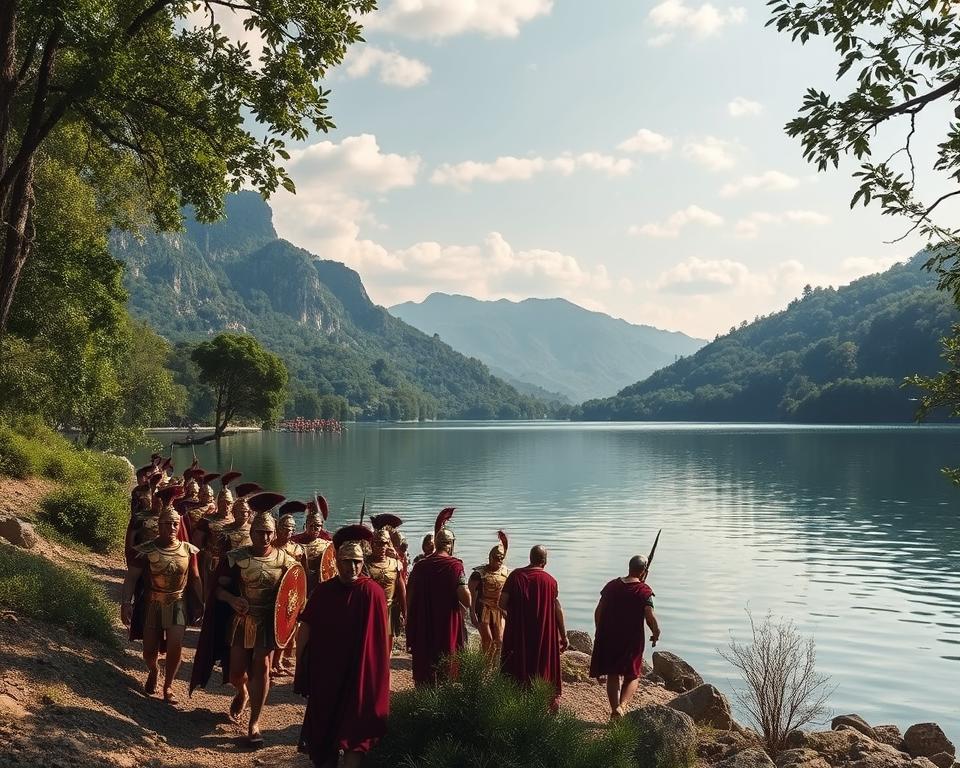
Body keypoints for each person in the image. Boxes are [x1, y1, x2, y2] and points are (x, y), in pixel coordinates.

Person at [190, 492, 299, 747]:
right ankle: (242, 691)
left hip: (267, 623)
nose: (264, 537)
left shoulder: (286, 560)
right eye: (259, 532)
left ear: (274, 533)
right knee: (237, 672)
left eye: (268, 532)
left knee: (261, 668)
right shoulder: (237, 558)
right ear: (252, 533)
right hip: (241, 620)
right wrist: (231, 600)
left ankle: (255, 722)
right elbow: (218, 589)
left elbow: (293, 595)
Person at [295, 524, 390, 768]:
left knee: (356, 735)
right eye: (347, 561)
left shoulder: (374, 593)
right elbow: (305, 628)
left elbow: (382, 640)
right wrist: (301, 665)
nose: (353, 567)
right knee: (324, 737)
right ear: (337, 561)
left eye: (357, 561)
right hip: (328, 676)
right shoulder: (323, 592)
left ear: (363, 561)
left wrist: (380, 677)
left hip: (360, 676)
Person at [121, 503, 203, 704]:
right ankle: (154, 669)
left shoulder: (188, 550)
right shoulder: (147, 550)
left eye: (175, 524)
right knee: (149, 650)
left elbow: (195, 577)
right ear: (160, 525)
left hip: (177, 603)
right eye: (167, 523)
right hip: (153, 602)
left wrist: (201, 602)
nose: (172, 527)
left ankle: (168, 685)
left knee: (176, 645)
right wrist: (126, 602)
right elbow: (132, 577)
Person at [589, 554, 660, 721]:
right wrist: (655, 632)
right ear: (643, 572)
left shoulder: (611, 586)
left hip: (609, 636)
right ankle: (623, 706)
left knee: (613, 673)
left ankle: (614, 710)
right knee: (632, 674)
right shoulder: (644, 591)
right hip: (631, 639)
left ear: (629, 568)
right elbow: (649, 615)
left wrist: (599, 630)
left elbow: (599, 611)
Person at [405, 508, 470, 686]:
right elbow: (466, 599)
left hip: (424, 621)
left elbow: (409, 597)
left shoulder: (419, 566)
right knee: (447, 663)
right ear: (450, 544)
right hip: (447, 624)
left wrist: (409, 621)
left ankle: (422, 700)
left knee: (425, 663)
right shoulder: (456, 566)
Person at [499, 545, 567, 710]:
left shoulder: (516, 576)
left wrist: (514, 615)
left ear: (530, 558)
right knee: (542, 662)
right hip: (543, 632)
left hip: (519, 631)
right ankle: (542, 700)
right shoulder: (551, 581)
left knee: (516, 662)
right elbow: (557, 608)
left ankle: (514, 698)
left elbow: (502, 603)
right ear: (545, 561)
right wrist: (563, 635)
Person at [272, 507, 308, 676]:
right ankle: (269, 661)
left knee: (288, 627)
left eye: (291, 529)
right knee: (272, 629)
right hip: (271, 593)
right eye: (285, 528)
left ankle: (278, 660)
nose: (288, 532)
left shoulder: (299, 549)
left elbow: (302, 574)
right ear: (278, 529)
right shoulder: (270, 548)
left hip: (291, 595)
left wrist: (303, 598)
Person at [469, 531, 510, 661]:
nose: (499, 560)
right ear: (490, 557)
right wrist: (472, 614)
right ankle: (483, 668)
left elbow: (509, 593)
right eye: (496, 557)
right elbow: (471, 595)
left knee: (498, 641)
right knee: (487, 641)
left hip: (499, 609)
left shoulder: (507, 573)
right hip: (483, 608)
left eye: (501, 558)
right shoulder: (479, 573)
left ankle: (493, 670)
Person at [365, 528, 406, 655]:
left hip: (389, 609)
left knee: (387, 645)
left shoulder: (394, 563)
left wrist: (405, 612)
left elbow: (401, 588)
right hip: (370, 609)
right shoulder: (364, 564)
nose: (382, 547)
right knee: (370, 644)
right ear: (372, 544)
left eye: (385, 543)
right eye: (378, 543)